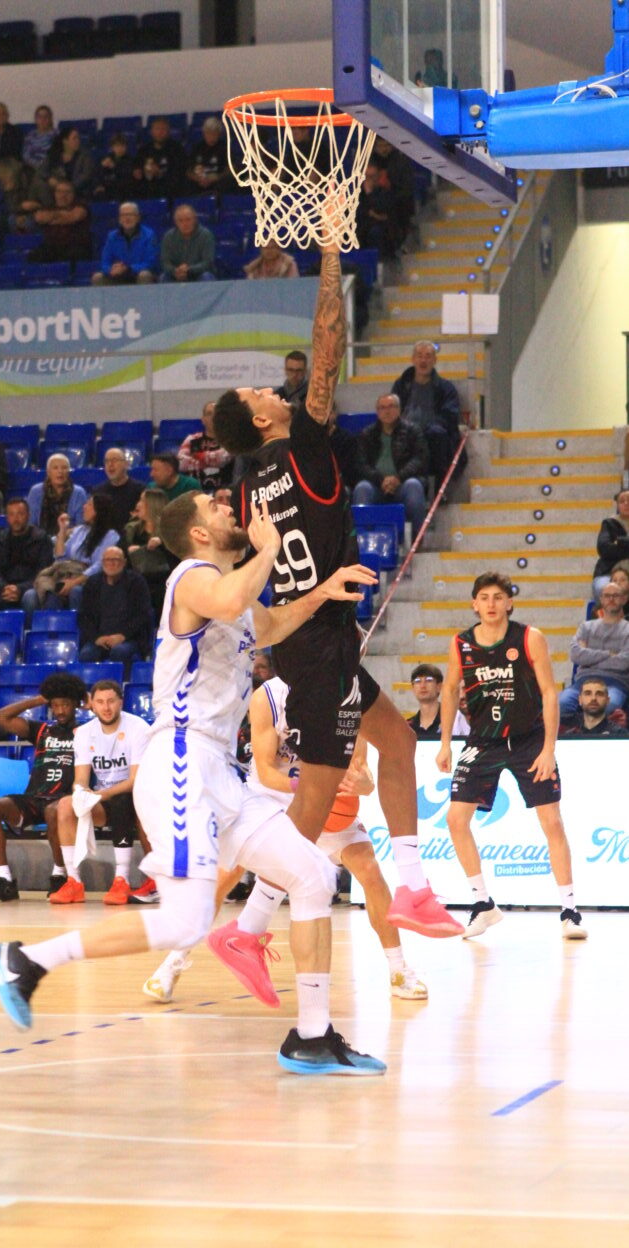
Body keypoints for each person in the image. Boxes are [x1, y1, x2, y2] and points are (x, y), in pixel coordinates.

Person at [0, 491, 387, 1076]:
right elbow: (233, 599)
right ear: (198, 534)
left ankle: (312, 1036)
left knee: (313, 874)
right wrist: (270, 549)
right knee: (186, 921)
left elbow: (270, 624)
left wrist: (321, 593)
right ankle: (25, 960)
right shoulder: (192, 578)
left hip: (220, 770)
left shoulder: (232, 592)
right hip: (180, 759)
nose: (228, 508)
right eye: (215, 508)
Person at [213, 226, 463, 940]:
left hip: (309, 639)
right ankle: (248, 929)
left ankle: (412, 888)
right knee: (314, 805)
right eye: (263, 390)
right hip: (318, 647)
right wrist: (329, 253)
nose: (274, 389)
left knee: (398, 742)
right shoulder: (300, 448)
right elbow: (327, 345)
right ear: (263, 418)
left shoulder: (248, 489)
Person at [146, 676, 427, 1003]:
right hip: (271, 797)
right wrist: (308, 789)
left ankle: (398, 969)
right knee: (224, 877)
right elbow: (266, 771)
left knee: (369, 869)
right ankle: (172, 963)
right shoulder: (267, 697)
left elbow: (359, 772)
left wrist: (364, 786)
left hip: (326, 800)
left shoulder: (347, 693)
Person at [438, 572, 587, 941]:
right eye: (484, 597)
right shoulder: (460, 643)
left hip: (528, 740)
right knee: (456, 819)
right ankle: (483, 904)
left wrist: (549, 749)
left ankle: (570, 911)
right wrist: (445, 743)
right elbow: (450, 690)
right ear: (474, 604)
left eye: (498, 597)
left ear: (509, 603)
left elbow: (550, 693)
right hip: (483, 741)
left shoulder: (529, 637)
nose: (491, 603)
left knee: (551, 821)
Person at [0, 675, 89, 904]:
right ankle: (5, 880)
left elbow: (108, 724)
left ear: (75, 705)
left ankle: (59, 875)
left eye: (65, 705)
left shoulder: (87, 732)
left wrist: (89, 703)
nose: (60, 711)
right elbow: (0, 717)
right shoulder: (42, 731)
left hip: (65, 801)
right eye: (55, 705)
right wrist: (39, 699)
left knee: (54, 810)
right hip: (35, 798)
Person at [48, 680, 152, 907]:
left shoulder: (138, 728)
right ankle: (73, 881)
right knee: (65, 805)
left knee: (122, 800)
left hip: (137, 797)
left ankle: (122, 879)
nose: (106, 707)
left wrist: (102, 794)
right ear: (92, 705)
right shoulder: (85, 732)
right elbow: (81, 778)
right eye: (100, 702)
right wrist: (81, 792)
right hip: (103, 798)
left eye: (111, 701)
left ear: (121, 702)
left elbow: (135, 781)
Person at [352, 393, 429, 535]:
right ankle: (362, 540)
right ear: (377, 411)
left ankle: (417, 539)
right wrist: (381, 480)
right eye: (382, 408)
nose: (387, 411)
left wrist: (398, 478)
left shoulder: (413, 431)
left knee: (414, 486)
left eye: (391, 406)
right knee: (362, 489)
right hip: (376, 485)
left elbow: (420, 459)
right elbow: (361, 464)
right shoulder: (367, 434)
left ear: (399, 409)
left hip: (403, 484)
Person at [391, 341, 464, 492]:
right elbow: (392, 411)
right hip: (406, 434)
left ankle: (440, 491)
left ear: (435, 360)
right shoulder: (401, 385)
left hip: (432, 435)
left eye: (428, 356)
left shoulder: (445, 388)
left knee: (437, 434)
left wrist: (425, 428)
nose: (423, 360)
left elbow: (450, 416)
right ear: (413, 359)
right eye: (419, 356)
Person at [32, 492, 120, 609]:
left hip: (89, 579)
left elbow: (99, 566)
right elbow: (60, 558)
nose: (84, 507)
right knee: (51, 593)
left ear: (99, 510)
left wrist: (74, 582)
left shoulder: (111, 535)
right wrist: (62, 530)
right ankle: (54, 621)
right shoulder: (80, 530)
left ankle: (80, 620)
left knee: (76, 591)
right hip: (66, 573)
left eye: (89, 504)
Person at [78, 547, 153, 673]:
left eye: (116, 560)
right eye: (108, 560)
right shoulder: (93, 583)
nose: (111, 563)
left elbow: (143, 615)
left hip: (129, 638)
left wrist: (123, 635)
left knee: (119, 652)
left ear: (124, 562)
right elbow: (84, 617)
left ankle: (122, 684)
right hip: (99, 639)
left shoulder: (136, 582)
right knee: (86, 654)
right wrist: (96, 638)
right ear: (102, 563)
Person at [559, 583, 629, 716]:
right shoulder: (586, 627)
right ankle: (578, 728)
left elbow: (624, 663)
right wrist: (609, 654)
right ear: (601, 599)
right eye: (607, 596)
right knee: (561, 704)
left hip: (615, 683)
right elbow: (576, 655)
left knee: (610, 705)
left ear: (623, 599)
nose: (611, 599)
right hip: (583, 682)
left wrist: (589, 658)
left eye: (615, 595)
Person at [0, 498, 53, 618]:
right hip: (5, 587)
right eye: (11, 514)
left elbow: (43, 572)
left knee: (30, 598)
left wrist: (20, 589)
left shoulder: (41, 539)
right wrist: (4, 588)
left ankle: (28, 629)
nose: (16, 519)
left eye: (20, 514)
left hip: (31, 586)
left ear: (28, 515)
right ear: (7, 518)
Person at [123, 488, 177, 614]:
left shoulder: (170, 531)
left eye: (142, 500)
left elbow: (177, 558)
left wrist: (162, 544)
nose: (138, 505)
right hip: (137, 581)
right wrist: (128, 550)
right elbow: (120, 554)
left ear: (153, 504)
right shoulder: (131, 529)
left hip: (163, 582)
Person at [91, 201, 158, 286]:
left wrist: (128, 269)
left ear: (138, 217)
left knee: (144, 275)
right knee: (97, 277)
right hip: (118, 275)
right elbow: (104, 262)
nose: (127, 218)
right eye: (123, 215)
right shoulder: (112, 237)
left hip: (138, 273)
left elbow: (151, 262)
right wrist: (111, 270)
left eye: (130, 215)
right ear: (119, 219)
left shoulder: (149, 235)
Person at [28, 180, 92, 265]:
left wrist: (52, 218)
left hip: (75, 245)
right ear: (55, 194)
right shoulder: (48, 206)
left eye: (67, 192)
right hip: (52, 247)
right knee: (34, 256)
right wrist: (63, 216)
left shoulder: (81, 206)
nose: (63, 195)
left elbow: (73, 217)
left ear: (73, 194)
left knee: (75, 255)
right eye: (59, 192)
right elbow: (40, 218)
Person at [177, 402, 233, 490]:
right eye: (209, 414)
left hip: (225, 491)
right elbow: (181, 463)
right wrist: (214, 459)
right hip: (195, 491)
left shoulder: (230, 439)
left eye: (216, 414)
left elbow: (224, 458)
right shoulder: (192, 439)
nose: (213, 417)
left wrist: (200, 457)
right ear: (203, 419)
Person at [26, 452, 86, 535]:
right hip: (40, 539)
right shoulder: (35, 492)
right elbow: (30, 524)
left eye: (64, 468)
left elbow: (81, 527)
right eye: (55, 468)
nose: (60, 471)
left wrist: (61, 536)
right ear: (48, 472)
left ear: (68, 472)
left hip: (69, 539)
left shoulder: (79, 493)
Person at [406, 663, 468, 739]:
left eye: (429, 680)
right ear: (413, 688)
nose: (422, 685)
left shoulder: (455, 717)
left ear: (439, 686)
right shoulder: (407, 726)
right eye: (418, 681)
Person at [160, 204, 216, 283]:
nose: (185, 224)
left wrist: (189, 269)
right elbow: (165, 262)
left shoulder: (206, 235)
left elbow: (207, 263)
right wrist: (175, 271)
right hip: (176, 274)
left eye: (188, 220)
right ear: (175, 222)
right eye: (180, 220)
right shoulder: (168, 236)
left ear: (195, 219)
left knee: (206, 276)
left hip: (198, 274)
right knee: (164, 277)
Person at [559, 676, 629, 738]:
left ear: (607, 700)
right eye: (588, 694)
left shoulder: (619, 734)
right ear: (580, 700)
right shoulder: (566, 731)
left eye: (599, 694)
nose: (593, 698)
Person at [133, 116, 186, 197]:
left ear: (168, 132)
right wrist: (137, 172)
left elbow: (179, 174)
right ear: (151, 131)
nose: (160, 132)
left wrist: (159, 173)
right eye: (157, 129)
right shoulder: (144, 150)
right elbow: (137, 167)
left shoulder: (177, 149)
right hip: (148, 191)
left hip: (170, 192)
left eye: (163, 129)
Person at [93, 447, 144, 532]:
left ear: (126, 464)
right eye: (107, 461)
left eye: (114, 460)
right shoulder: (98, 492)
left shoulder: (140, 490)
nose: (110, 464)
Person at [592, 488, 629, 596]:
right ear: (617, 505)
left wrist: (621, 541)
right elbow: (604, 549)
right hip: (609, 572)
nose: (626, 503)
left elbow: (613, 548)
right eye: (622, 501)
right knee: (603, 588)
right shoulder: (609, 523)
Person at [44, 126, 96, 199]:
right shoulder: (55, 154)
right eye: (74, 138)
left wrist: (68, 187)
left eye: (78, 138)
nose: (78, 141)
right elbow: (43, 171)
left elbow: (86, 176)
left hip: (77, 190)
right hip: (56, 188)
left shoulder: (85, 155)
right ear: (65, 141)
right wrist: (49, 178)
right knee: (39, 183)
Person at [185, 116, 232, 194]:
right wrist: (197, 178)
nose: (211, 135)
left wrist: (217, 177)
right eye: (208, 132)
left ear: (219, 134)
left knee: (227, 183)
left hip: (218, 180)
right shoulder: (197, 148)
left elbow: (231, 169)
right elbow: (188, 170)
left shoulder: (225, 148)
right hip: (198, 181)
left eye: (214, 133)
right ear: (204, 133)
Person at [94, 132, 136, 201]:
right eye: (117, 146)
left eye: (122, 146)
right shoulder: (106, 158)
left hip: (123, 190)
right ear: (112, 147)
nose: (120, 148)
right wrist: (101, 167)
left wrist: (114, 167)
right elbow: (98, 174)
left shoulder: (130, 160)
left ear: (126, 147)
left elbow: (127, 177)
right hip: (108, 190)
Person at [22, 104, 56, 170]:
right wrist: (39, 165)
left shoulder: (57, 135)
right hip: (33, 169)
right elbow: (26, 156)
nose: (43, 119)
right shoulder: (30, 136)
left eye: (46, 117)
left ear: (50, 119)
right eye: (40, 117)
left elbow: (59, 155)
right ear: (36, 119)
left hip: (51, 168)